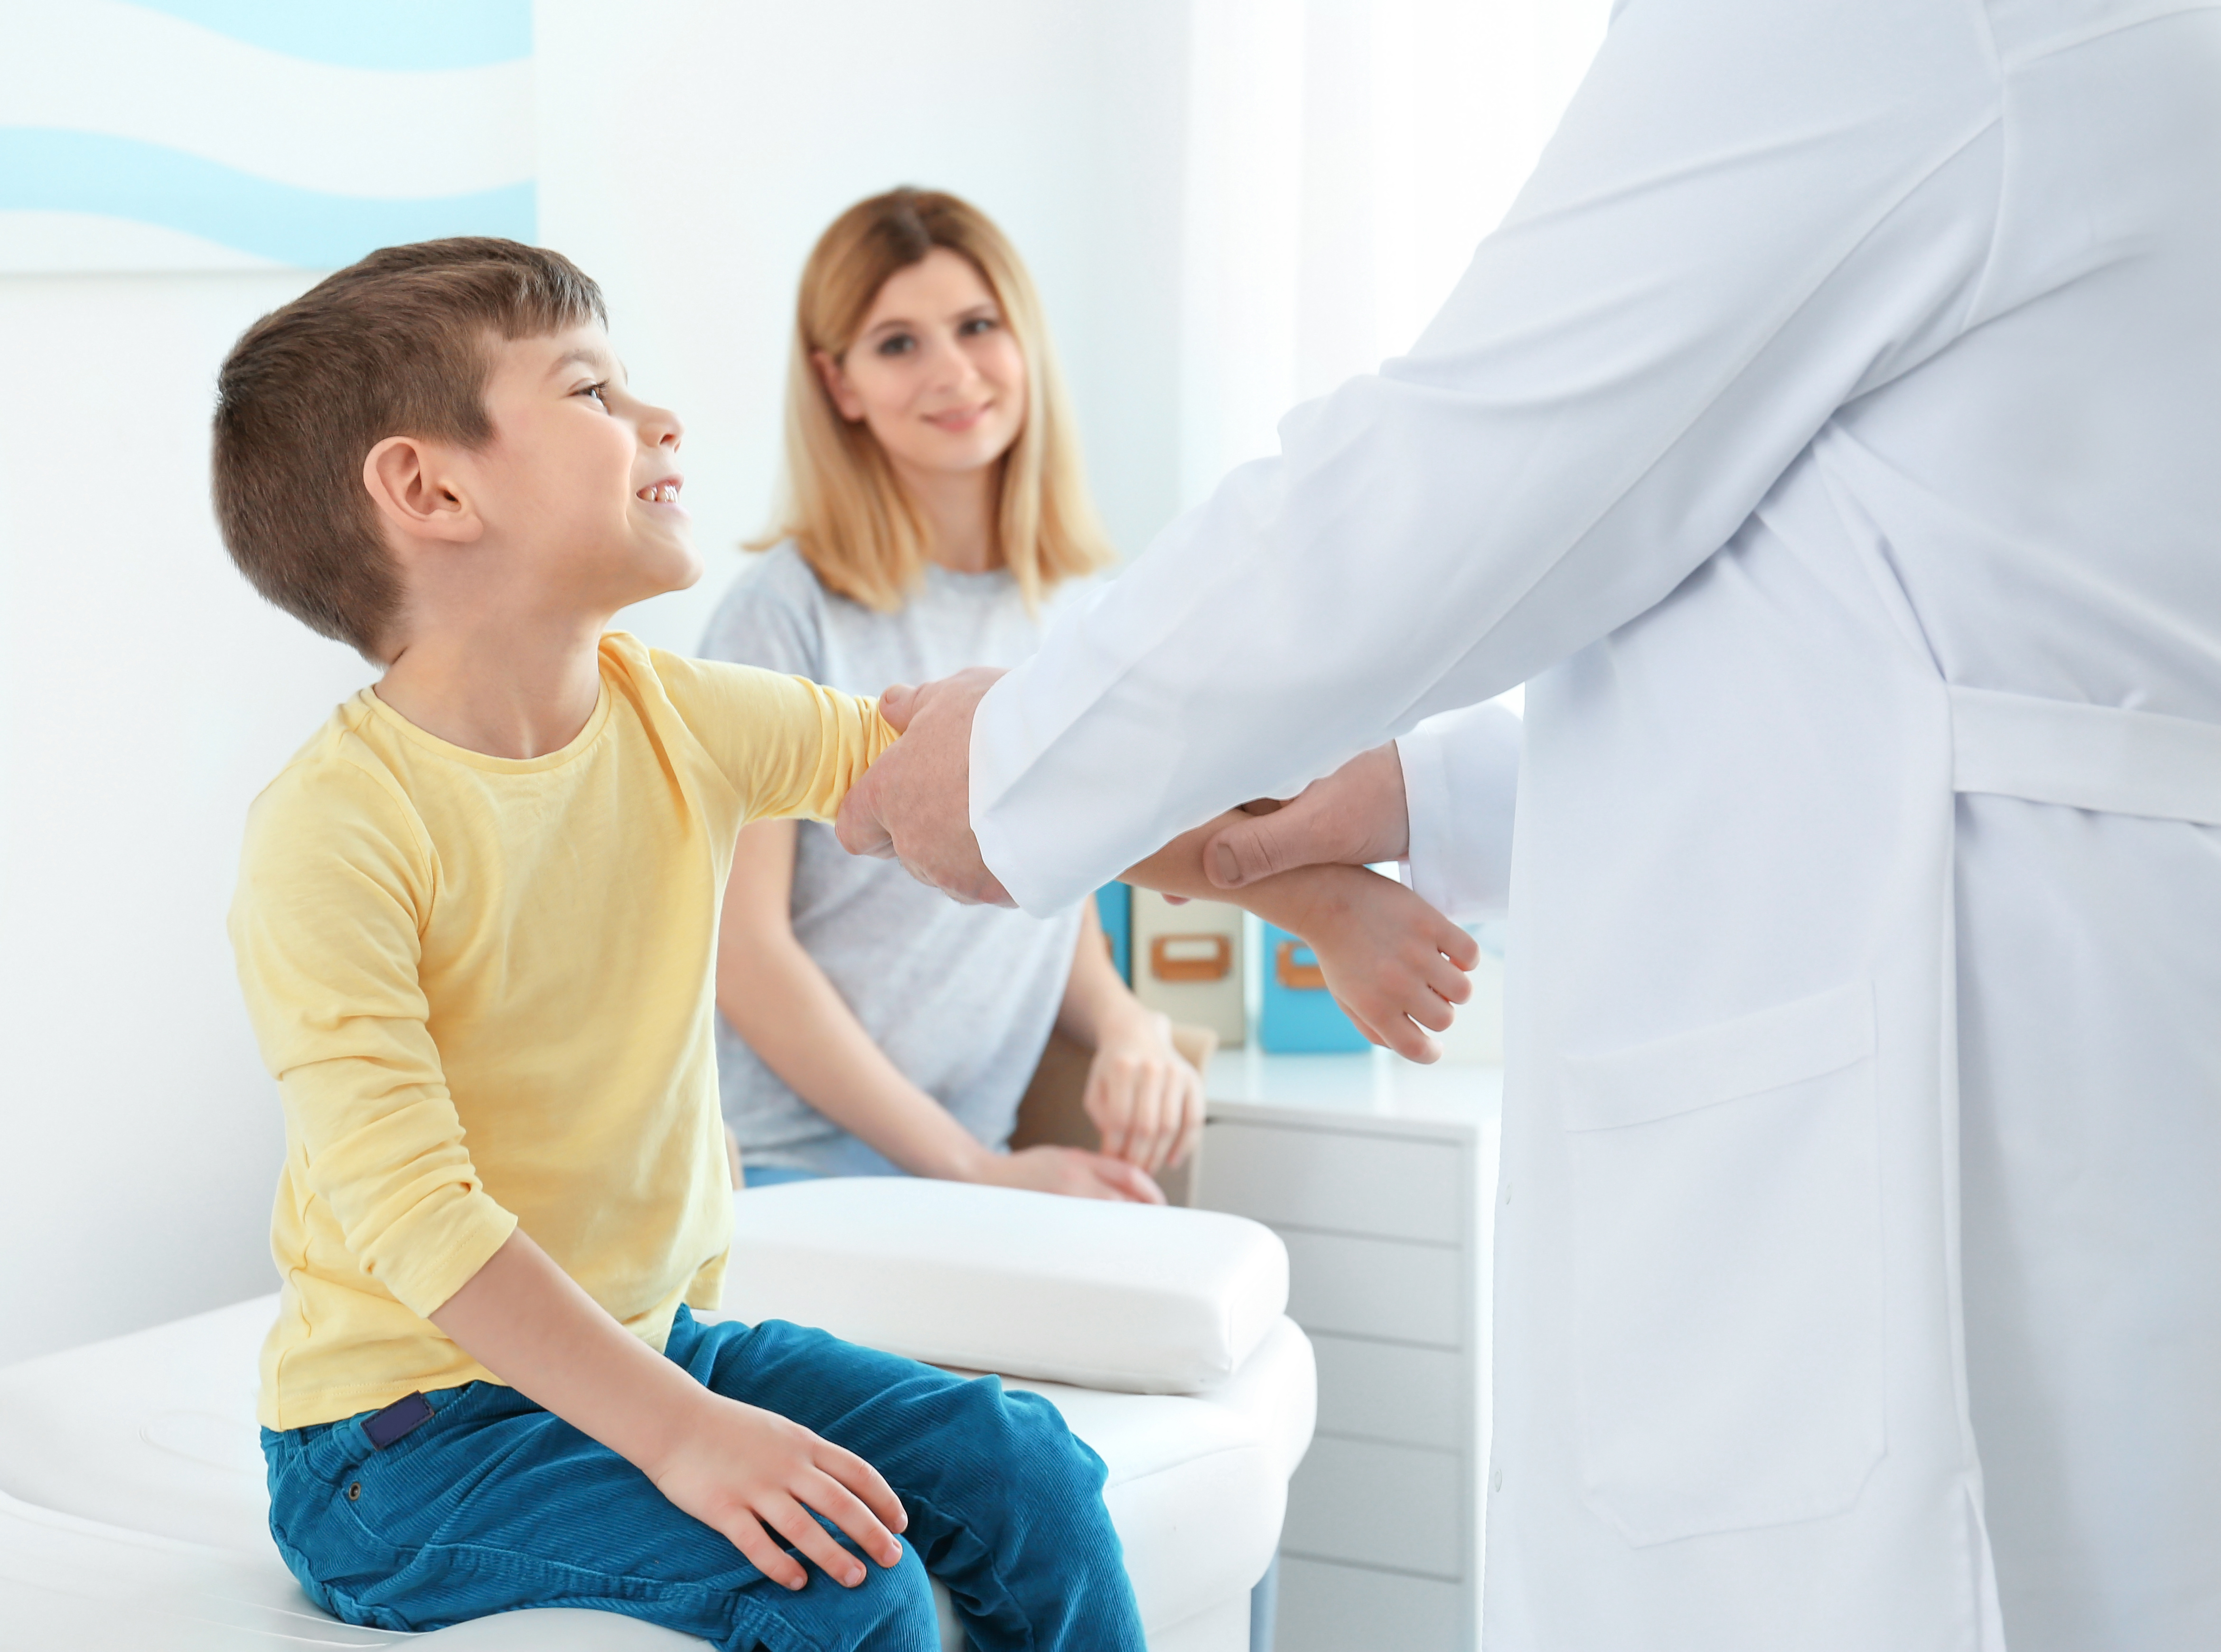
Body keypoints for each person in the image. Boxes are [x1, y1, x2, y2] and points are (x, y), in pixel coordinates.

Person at [837, 2, 2221, 1648]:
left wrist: (1019, 767)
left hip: (2068, 1154)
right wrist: (1426, 798)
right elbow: (1960, 656)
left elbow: (1460, 474)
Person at [214, 237, 1472, 1647]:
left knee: (1026, 1470)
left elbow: (982, 778)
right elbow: (418, 1222)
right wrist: (687, 1436)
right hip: (404, 1441)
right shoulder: (338, 833)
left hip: (652, 1342)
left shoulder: (678, 716)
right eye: (591, 390)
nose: (659, 421)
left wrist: (1290, 886)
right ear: (428, 488)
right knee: (836, 1579)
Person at [705, 189, 1198, 1203]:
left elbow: (1044, 896)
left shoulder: (1081, 616)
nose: (953, 372)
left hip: (970, 1168)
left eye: (977, 326)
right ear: (839, 385)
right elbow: (742, 950)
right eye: (898, 344)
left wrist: (1128, 1025)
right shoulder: (783, 616)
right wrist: (975, 1170)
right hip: (792, 1167)